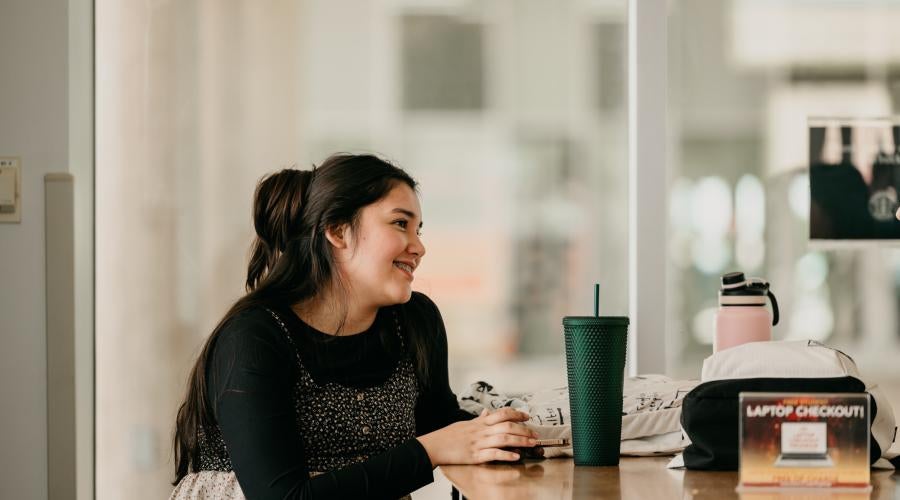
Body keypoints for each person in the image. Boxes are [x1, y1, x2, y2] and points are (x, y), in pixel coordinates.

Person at [170, 153, 538, 499]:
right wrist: (433, 449)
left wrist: (518, 430)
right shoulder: (255, 337)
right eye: (400, 224)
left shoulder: (414, 321)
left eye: (419, 230)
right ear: (338, 231)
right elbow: (281, 496)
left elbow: (441, 425)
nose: (419, 247)